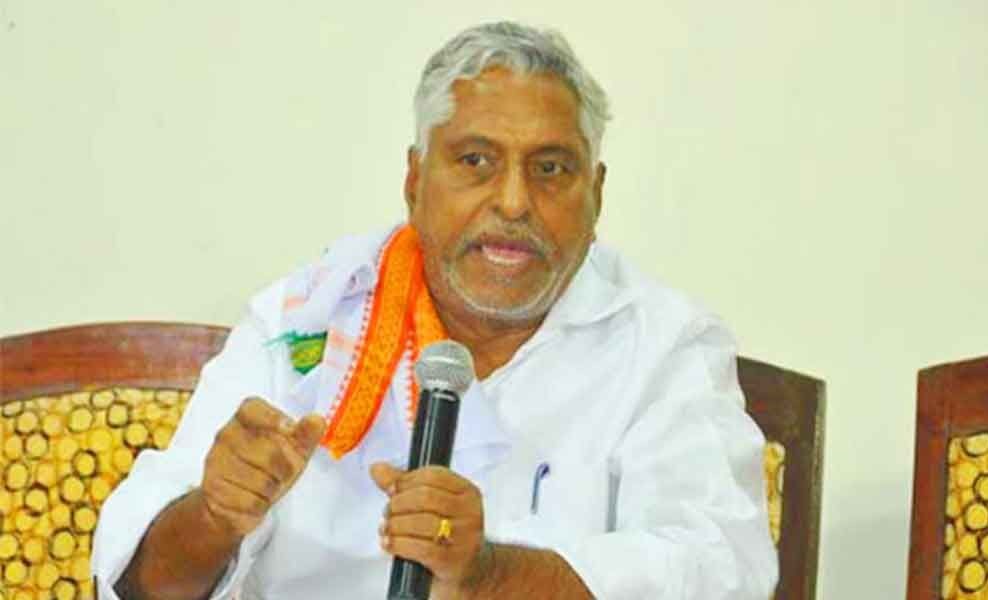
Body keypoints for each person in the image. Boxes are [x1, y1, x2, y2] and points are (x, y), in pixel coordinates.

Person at [93, 21, 778, 599]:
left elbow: (724, 573)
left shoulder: (663, 345)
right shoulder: (304, 320)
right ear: (415, 179)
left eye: (550, 169)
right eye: (476, 160)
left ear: (596, 193)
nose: (513, 202)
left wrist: (488, 574)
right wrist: (215, 516)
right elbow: (137, 582)